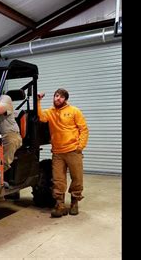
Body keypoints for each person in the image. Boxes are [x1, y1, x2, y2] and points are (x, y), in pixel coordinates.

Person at [37, 88, 89, 218]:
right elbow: (41, 117)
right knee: (58, 180)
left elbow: (84, 129)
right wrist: (38, 101)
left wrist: (80, 146)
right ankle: (60, 205)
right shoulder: (50, 112)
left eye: (61, 97)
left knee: (77, 178)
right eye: (56, 96)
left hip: (73, 151)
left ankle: (74, 202)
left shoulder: (74, 111)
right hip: (57, 153)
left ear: (65, 99)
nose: (57, 98)